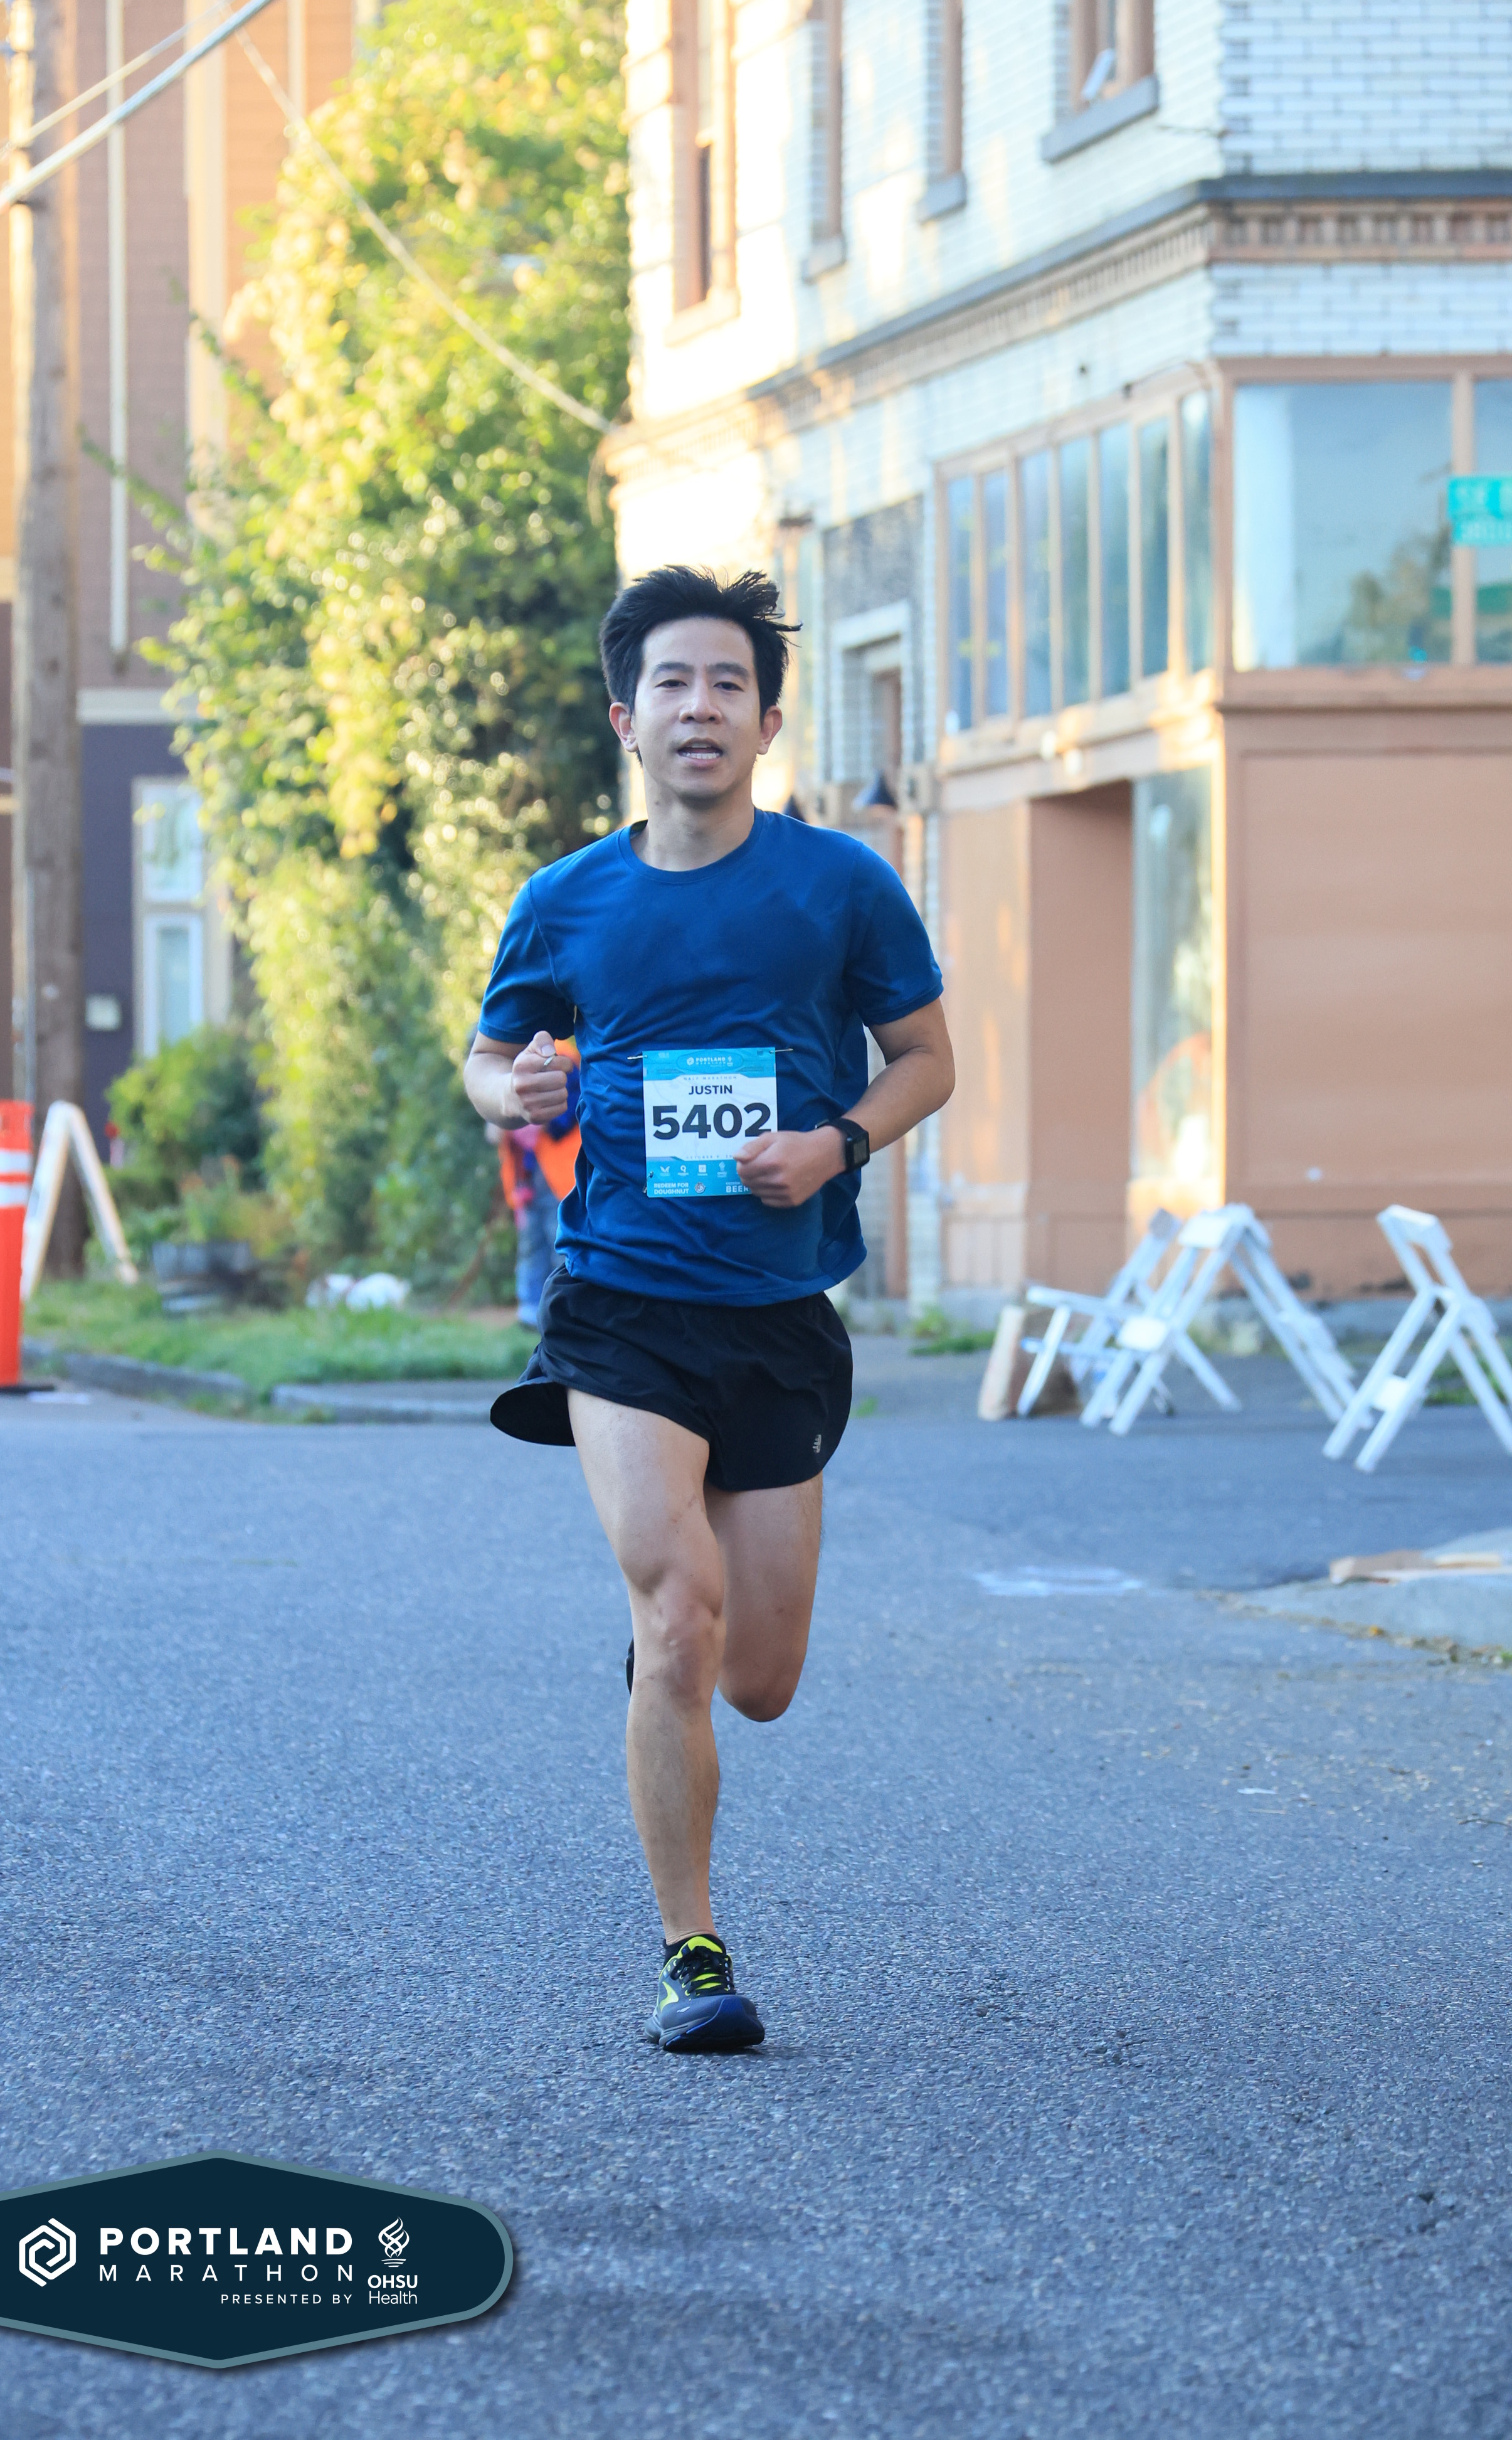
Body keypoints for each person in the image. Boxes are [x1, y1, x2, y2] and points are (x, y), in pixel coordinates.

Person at [463, 566, 954, 2052]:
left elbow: (926, 1058)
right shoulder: (565, 899)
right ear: (626, 718)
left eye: (726, 684)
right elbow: (488, 1059)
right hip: (620, 1302)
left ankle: (664, 1660)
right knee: (680, 1614)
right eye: (670, 683)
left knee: (757, 1676)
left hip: (779, 1309)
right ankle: (692, 1953)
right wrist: (516, 1086)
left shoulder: (839, 885)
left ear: (766, 722)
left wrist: (836, 1144)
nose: (698, 707)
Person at [489, 1048, 581, 1326]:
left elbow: (572, 1111)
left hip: (562, 1173)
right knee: (532, 1241)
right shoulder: (505, 1062)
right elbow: (496, 1131)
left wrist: (539, 1121)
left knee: (560, 1240)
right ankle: (530, 1311)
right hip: (527, 1178)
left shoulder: (562, 1058)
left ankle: (561, 1309)